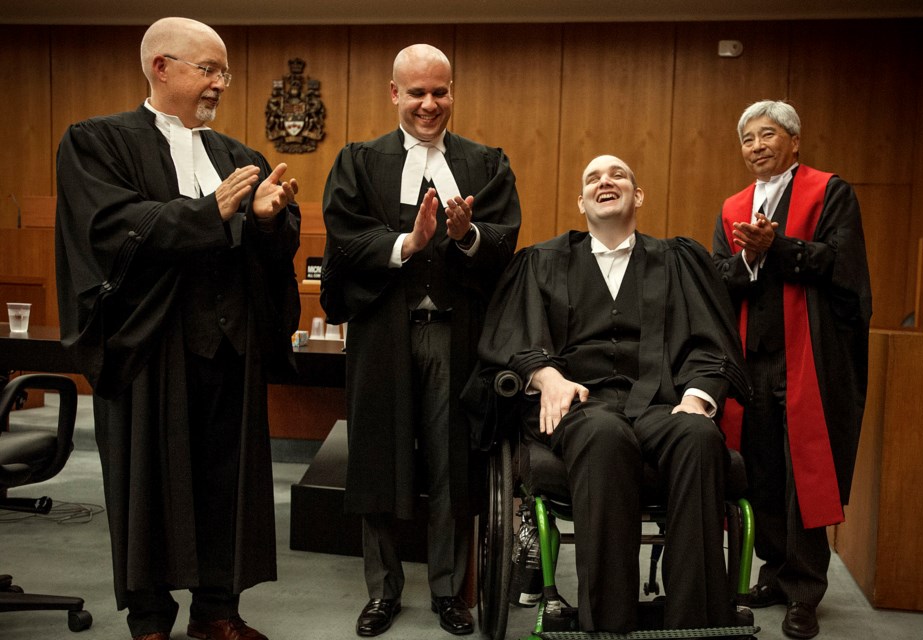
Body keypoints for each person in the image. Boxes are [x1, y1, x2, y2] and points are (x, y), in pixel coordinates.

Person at [54, 17, 301, 640]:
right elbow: (110, 225)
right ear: (160, 67)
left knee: (226, 482)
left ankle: (217, 611)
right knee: (149, 487)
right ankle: (150, 620)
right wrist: (207, 212)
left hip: (229, 343)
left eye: (224, 72)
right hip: (150, 344)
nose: (219, 83)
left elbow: (267, 242)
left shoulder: (238, 156)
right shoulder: (96, 141)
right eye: (207, 69)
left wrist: (269, 221)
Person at [468, 154, 749, 633]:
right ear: (581, 202)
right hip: (579, 407)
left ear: (637, 196)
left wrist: (699, 396)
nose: (606, 181)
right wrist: (545, 375)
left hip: (662, 402)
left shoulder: (677, 261)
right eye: (593, 178)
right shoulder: (543, 261)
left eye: (618, 174)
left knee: (700, 437)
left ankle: (695, 625)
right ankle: (608, 627)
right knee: (604, 435)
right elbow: (512, 339)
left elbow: (709, 342)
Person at [319, 44, 521, 637]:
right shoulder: (359, 161)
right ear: (394, 94)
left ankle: (448, 591)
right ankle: (382, 592)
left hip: (456, 337)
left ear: (452, 93)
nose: (428, 104)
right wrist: (407, 244)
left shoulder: (486, 162)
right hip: (383, 332)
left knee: (453, 464)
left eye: (440, 92)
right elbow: (345, 236)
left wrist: (467, 235)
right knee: (379, 460)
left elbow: (506, 241)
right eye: (416, 93)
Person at [712, 100, 872, 640]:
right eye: (748, 139)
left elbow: (840, 264)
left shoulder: (830, 192)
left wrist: (776, 248)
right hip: (751, 361)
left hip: (808, 357)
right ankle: (775, 573)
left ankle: (806, 591)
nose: (757, 146)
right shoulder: (733, 205)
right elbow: (719, 277)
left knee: (803, 475)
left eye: (767, 134)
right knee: (760, 471)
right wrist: (749, 259)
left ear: (795, 142)